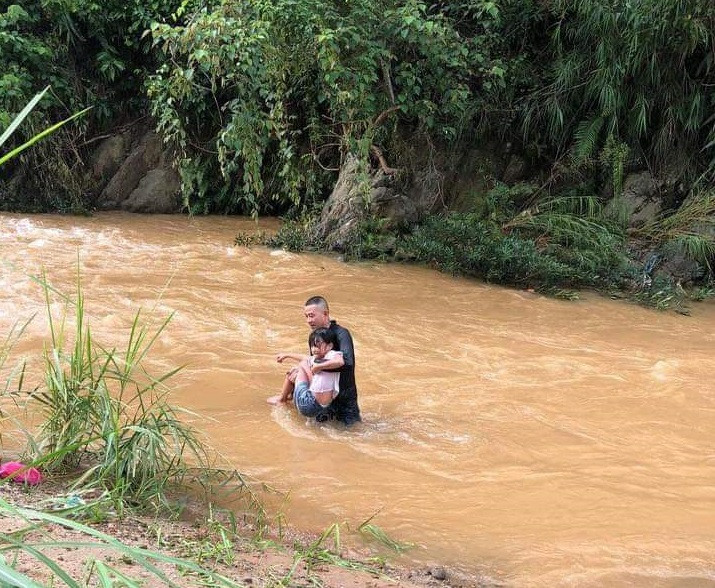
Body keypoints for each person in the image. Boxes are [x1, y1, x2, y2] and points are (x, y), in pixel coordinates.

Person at [268, 296, 362, 425]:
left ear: (325, 314)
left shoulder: (342, 334)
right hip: (324, 397)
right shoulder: (315, 336)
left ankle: (285, 399)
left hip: (344, 398)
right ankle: (286, 399)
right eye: (306, 316)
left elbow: (348, 362)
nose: (308, 320)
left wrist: (316, 367)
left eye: (312, 316)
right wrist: (303, 372)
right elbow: (312, 361)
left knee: (354, 433)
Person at [270, 328, 344, 417]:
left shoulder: (332, 355)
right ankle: (290, 395)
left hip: (308, 405)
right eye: (312, 346)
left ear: (329, 346)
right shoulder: (319, 357)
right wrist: (287, 355)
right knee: (302, 365)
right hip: (323, 408)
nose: (314, 349)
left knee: (299, 366)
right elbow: (306, 358)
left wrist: (318, 367)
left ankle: (282, 399)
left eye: (317, 345)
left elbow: (340, 362)